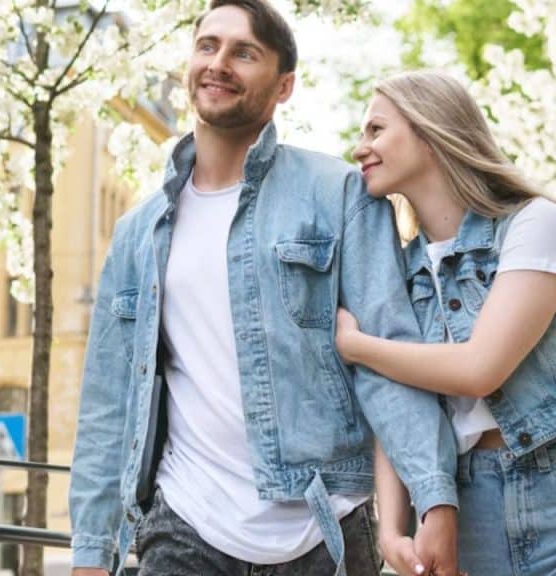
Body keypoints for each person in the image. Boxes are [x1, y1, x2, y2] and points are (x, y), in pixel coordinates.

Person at [68, 4, 461, 575]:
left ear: (284, 86)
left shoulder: (341, 195)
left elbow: (391, 360)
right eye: (207, 46)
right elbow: (108, 400)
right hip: (185, 524)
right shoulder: (138, 232)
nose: (218, 64)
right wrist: (90, 553)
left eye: (244, 53)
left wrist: (434, 498)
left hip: (325, 526)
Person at [336, 70, 556, 576]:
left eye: (375, 130)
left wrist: (357, 346)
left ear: (430, 133)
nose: (359, 148)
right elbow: (395, 406)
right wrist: (393, 527)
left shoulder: (536, 224)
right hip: (467, 509)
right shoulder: (398, 271)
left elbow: (480, 367)